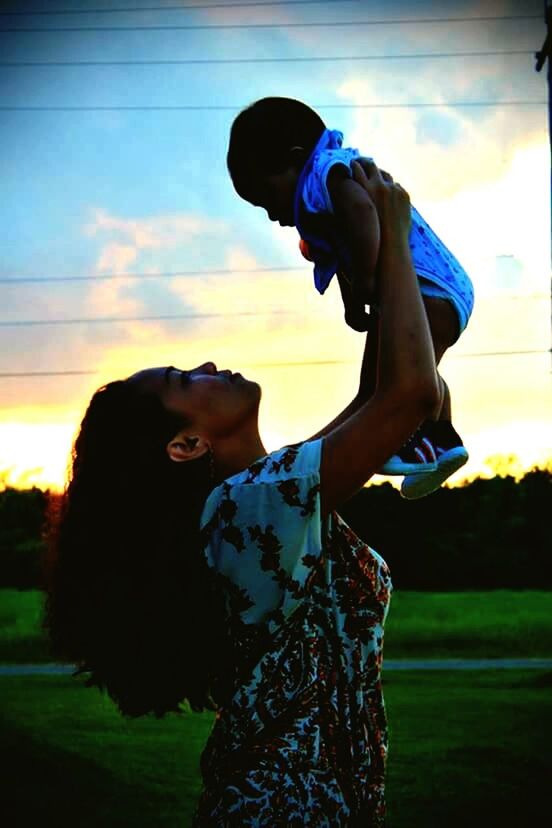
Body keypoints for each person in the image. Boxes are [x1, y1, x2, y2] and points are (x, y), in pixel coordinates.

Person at [44, 163, 440, 825]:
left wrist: (366, 269)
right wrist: (396, 235)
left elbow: (381, 399)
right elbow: (409, 398)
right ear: (185, 445)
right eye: (182, 378)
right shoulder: (242, 513)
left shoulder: (266, 503)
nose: (205, 365)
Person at [227, 96, 475, 499]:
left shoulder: (324, 174)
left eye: (265, 195)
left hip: (426, 286)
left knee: (381, 385)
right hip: (443, 287)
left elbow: (361, 215)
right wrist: (352, 298)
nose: (271, 213)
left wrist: (363, 283)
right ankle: (441, 440)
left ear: (294, 159)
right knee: (406, 371)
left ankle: (408, 440)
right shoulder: (322, 188)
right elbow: (343, 245)